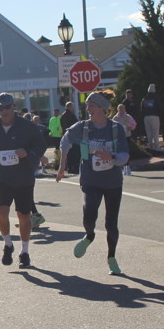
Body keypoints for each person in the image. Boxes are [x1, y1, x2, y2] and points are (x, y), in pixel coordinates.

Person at [57, 91, 130, 275]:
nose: (87, 108)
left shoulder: (116, 129)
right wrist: (62, 166)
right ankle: (89, 235)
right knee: (89, 215)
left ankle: (111, 258)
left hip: (113, 182)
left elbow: (125, 156)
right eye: (87, 105)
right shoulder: (82, 127)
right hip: (90, 180)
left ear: (102, 108)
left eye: (91, 105)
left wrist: (111, 157)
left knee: (111, 224)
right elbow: (65, 141)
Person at [0, 93, 47, 268]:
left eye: (7, 107)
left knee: (23, 215)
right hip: (2, 175)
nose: (4, 111)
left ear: (14, 107)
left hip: (23, 177)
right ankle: (8, 243)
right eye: (0, 108)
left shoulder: (27, 126)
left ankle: (24, 252)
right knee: (2, 211)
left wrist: (28, 152)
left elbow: (41, 145)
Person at [141, 83, 162, 150]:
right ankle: (156, 146)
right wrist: (159, 115)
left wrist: (144, 116)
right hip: (155, 116)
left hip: (146, 117)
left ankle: (151, 146)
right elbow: (159, 108)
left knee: (148, 133)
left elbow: (142, 109)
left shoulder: (144, 99)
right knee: (155, 132)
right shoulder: (156, 98)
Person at [60, 101, 79, 173]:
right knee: (74, 152)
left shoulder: (63, 115)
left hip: (66, 135)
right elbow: (75, 125)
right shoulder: (70, 115)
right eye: (72, 107)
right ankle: (74, 167)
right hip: (72, 136)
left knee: (69, 152)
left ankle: (70, 167)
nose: (73, 108)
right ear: (69, 107)